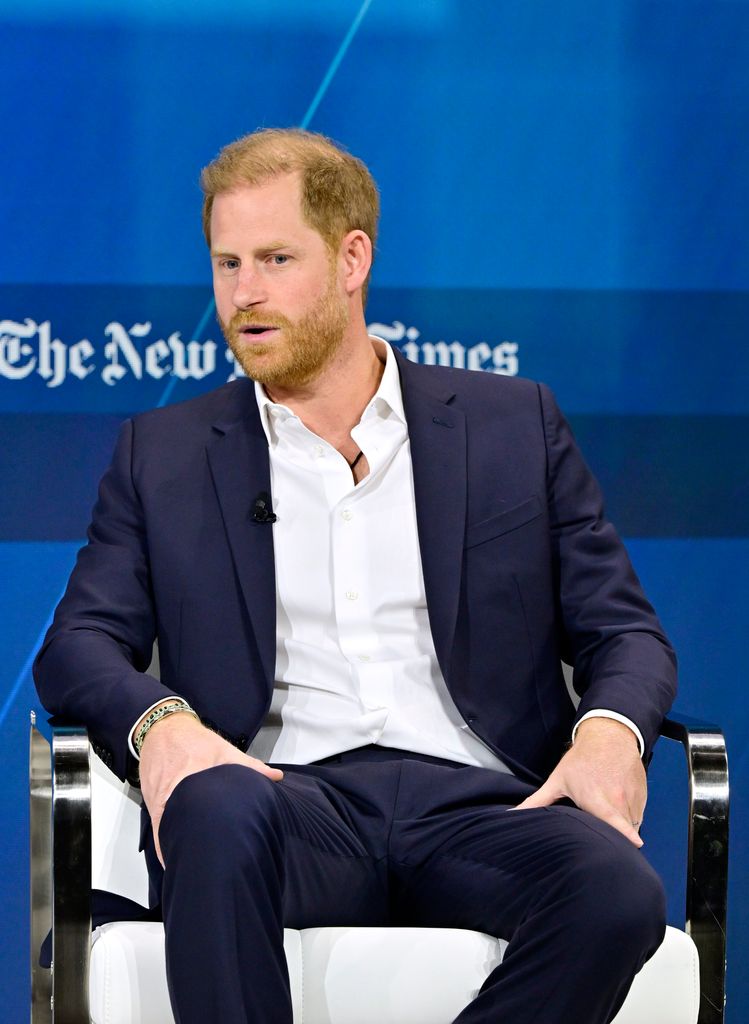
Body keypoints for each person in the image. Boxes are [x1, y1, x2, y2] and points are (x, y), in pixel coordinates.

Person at [34, 128, 677, 1024]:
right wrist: (161, 722)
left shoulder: (509, 426)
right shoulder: (166, 454)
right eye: (226, 263)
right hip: (283, 804)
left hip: (481, 805)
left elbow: (624, 632)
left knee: (617, 891)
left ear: (350, 259)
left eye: (273, 259)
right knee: (211, 811)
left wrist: (608, 731)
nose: (243, 294)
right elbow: (77, 645)